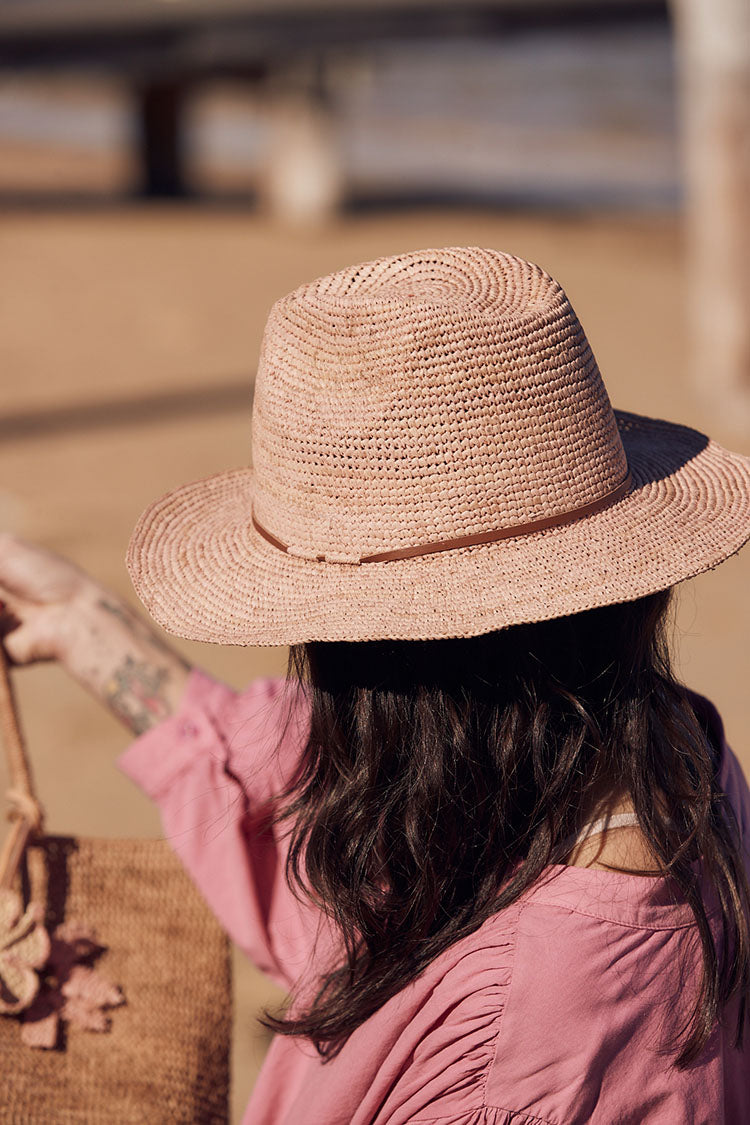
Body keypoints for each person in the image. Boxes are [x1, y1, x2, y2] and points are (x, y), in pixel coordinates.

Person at [1, 247, 750, 1123]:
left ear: (379, 687)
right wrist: (90, 629)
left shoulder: (511, 1046)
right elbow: (346, 864)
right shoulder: (668, 762)